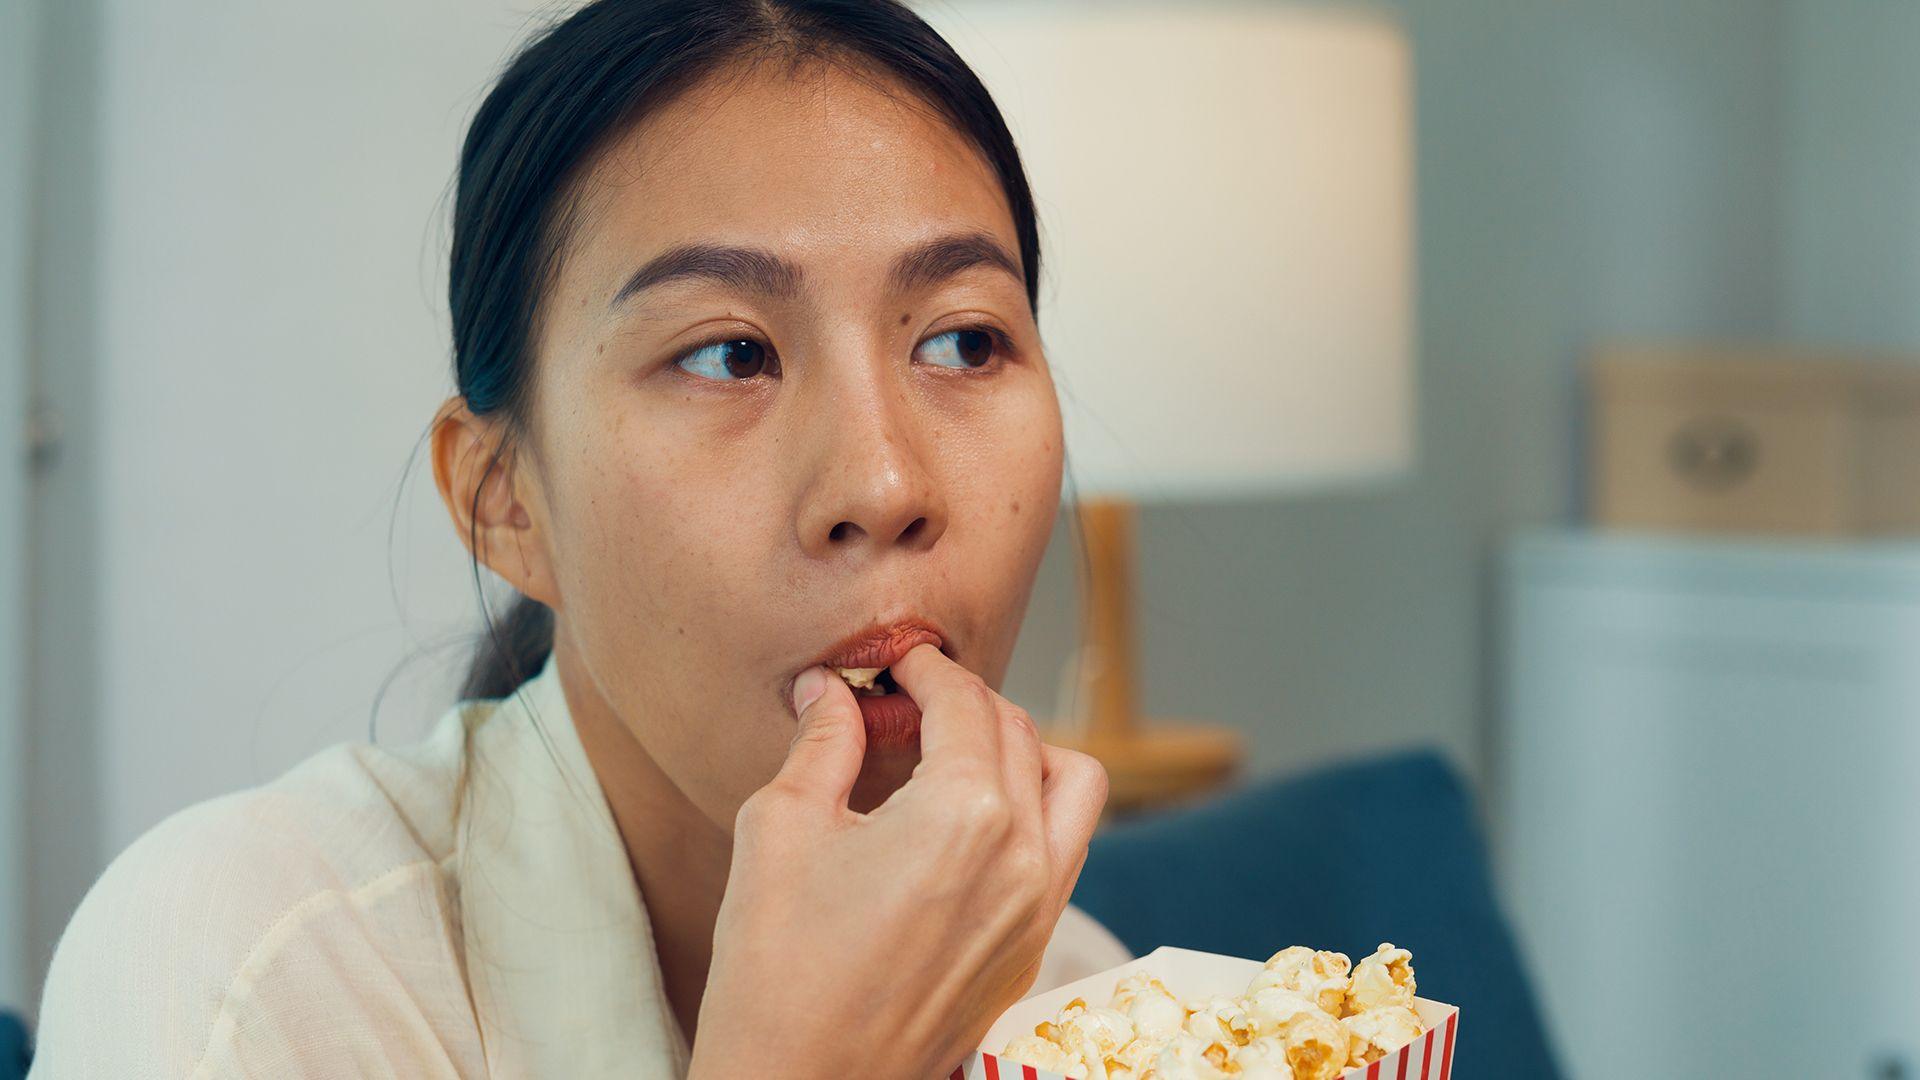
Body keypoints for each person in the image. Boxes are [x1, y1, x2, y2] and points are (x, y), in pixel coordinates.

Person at [30, 0, 1128, 1076]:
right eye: (730, 357)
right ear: (504, 499)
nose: (884, 483)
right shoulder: (243, 971)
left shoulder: (1096, 1003)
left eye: (964, 342)